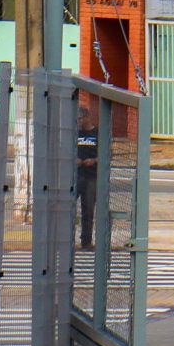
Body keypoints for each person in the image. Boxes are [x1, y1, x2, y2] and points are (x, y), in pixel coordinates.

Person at [74, 92, 101, 251]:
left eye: (79, 119)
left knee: (88, 210)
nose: (77, 122)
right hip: (77, 175)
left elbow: (105, 155)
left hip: (92, 177)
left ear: (86, 118)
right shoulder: (75, 134)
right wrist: (75, 160)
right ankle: (68, 240)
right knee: (70, 208)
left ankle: (86, 241)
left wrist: (94, 161)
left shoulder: (96, 133)